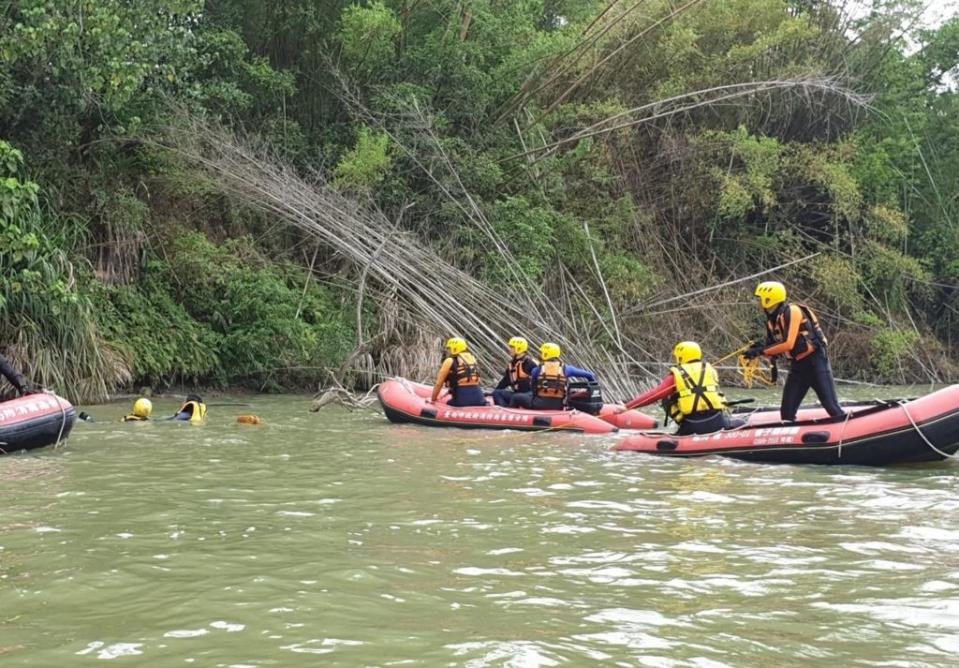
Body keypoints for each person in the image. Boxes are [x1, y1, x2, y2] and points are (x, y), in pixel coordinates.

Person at [744, 281, 844, 422]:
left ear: (769, 299)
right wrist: (755, 350)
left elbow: (788, 343)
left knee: (832, 407)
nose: (758, 302)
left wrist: (761, 351)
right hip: (798, 368)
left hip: (816, 363)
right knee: (787, 414)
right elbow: (772, 349)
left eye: (760, 298)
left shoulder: (792, 311)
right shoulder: (771, 321)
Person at [623, 341, 744, 435]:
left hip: (693, 425)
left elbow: (654, 395)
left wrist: (627, 407)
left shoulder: (677, 375)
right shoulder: (710, 369)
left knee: (667, 398)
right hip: (718, 421)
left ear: (681, 357)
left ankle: (682, 430)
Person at [510, 342, 596, 410]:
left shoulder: (536, 370)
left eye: (541, 352)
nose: (540, 354)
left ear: (546, 354)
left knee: (515, 397)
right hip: (558, 405)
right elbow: (590, 375)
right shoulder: (567, 369)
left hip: (538, 404)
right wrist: (592, 382)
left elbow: (533, 389)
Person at [430, 337, 487, 407]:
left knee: (449, 403)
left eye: (449, 348)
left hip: (462, 399)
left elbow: (438, 384)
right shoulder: (472, 359)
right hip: (479, 398)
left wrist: (433, 400)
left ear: (454, 349)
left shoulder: (449, 361)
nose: (447, 351)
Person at [491, 336, 538, 407]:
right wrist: (493, 392)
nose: (509, 349)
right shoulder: (512, 363)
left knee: (515, 397)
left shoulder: (530, 363)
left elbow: (538, 380)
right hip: (517, 393)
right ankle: (506, 411)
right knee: (497, 393)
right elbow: (505, 381)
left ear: (519, 349)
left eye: (512, 347)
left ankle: (511, 408)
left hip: (529, 395)